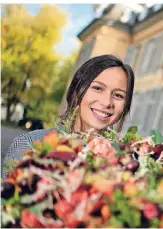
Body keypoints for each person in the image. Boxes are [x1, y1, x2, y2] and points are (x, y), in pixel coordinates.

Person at [2, 54, 135, 177]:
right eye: (97, 88)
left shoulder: (126, 162)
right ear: (76, 91)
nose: (107, 102)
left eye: (118, 95)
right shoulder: (30, 144)